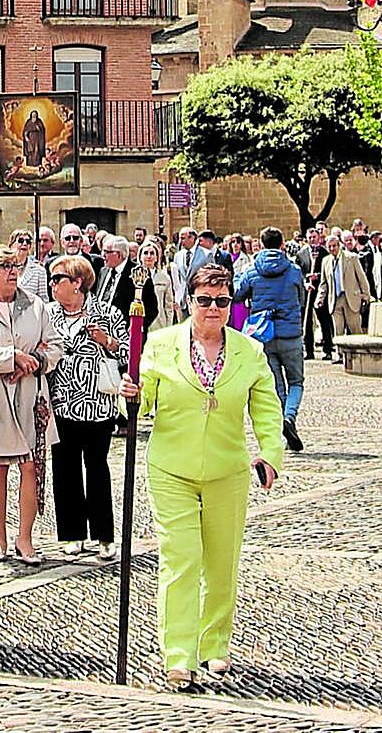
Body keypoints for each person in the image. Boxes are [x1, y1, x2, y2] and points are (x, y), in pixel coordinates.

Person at [119, 263, 283, 691]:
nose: (213, 308)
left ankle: (215, 645)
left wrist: (269, 454)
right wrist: (133, 396)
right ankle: (178, 653)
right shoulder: (158, 345)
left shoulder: (249, 352)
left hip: (227, 470)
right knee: (182, 559)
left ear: (232, 304)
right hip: (172, 468)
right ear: (187, 302)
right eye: (204, 300)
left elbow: (266, 409)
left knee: (221, 563)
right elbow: (145, 404)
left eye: (222, 301)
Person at [0, 244, 62, 567]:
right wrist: (9, 358)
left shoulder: (36, 305)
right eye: (4, 267)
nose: (13, 273)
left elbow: (54, 346)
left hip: (30, 396)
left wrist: (35, 360)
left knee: (32, 467)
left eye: (15, 267)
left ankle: (25, 537)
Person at [46, 255, 128, 560]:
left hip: (96, 404)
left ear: (77, 282)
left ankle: (104, 534)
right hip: (60, 403)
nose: (53, 285)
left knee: (96, 468)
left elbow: (128, 351)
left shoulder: (105, 313)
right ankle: (72, 534)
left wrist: (106, 341)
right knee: (64, 469)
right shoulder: (49, 314)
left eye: (58, 279)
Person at [233, 227, 306, 451]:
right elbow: (301, 298)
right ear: (282, 243)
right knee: (296, 381)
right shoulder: (293, 270)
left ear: (261, 244)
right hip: (291, 333)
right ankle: (289, 417)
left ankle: (284, 418)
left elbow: (237, 295)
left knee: (277, 385)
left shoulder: (252, 270)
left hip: (264, 335)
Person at [316, 228, 370, 350]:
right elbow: (324, 283)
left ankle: (360, 353)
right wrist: (320, 298)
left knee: (355, 328)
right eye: (329, 247)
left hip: (350, 297)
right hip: (335, 299)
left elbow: (361, 277)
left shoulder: (351, 258)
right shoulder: (326, 261)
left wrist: (366, 295)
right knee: (338, 330)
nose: (332, 249)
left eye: (334, 246)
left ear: (339, 245)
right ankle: (340, 355)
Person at [95, 235, 159, 333]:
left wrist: (136, 327)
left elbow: (152, 308)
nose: (103, 255)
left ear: (119, 255)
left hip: (126, 336)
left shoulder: (138, 273)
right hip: (102, 334)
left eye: (107, 252)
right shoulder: (103, 271)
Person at [297, 228, 334, 360]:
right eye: (310, 237)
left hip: (320, 291)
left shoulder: (324, 253)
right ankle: (309, 350)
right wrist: (306, 280)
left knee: (324, 320)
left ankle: (327, 349)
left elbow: (328, 271)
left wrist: (317, 276)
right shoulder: (301, 254)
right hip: (307, 291)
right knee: (306, 321)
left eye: (314, 237)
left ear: (319, 238)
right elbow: (298, 272)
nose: (312, 240)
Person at [140, 238, 178, 331]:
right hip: (139, 325)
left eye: (152, 253)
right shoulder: (132, 276)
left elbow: (168, 306)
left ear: (157, 257)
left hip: (159, 325)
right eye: (145, 253)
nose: (149, 256)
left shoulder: (164, 277)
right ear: (140, 256)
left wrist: (168, 327)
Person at [10, 228, 49, 302]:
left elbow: (43, 300)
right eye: (20, 241)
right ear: (12, 244)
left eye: (27, 242)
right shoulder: (4, 268)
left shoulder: (39, 271)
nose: (24, 244)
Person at [226, 234, 252, 330]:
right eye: (233, 242)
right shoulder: (226, 257)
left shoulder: (245, 258)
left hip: (239, 292)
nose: (235, 244)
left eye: (238, 242)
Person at [172, 227, 199, 317]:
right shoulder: (178, 256)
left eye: (183, 238)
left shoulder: (206, 254)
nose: (180, 241)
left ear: (192, 238)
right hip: (182, 300)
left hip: (197, 298)